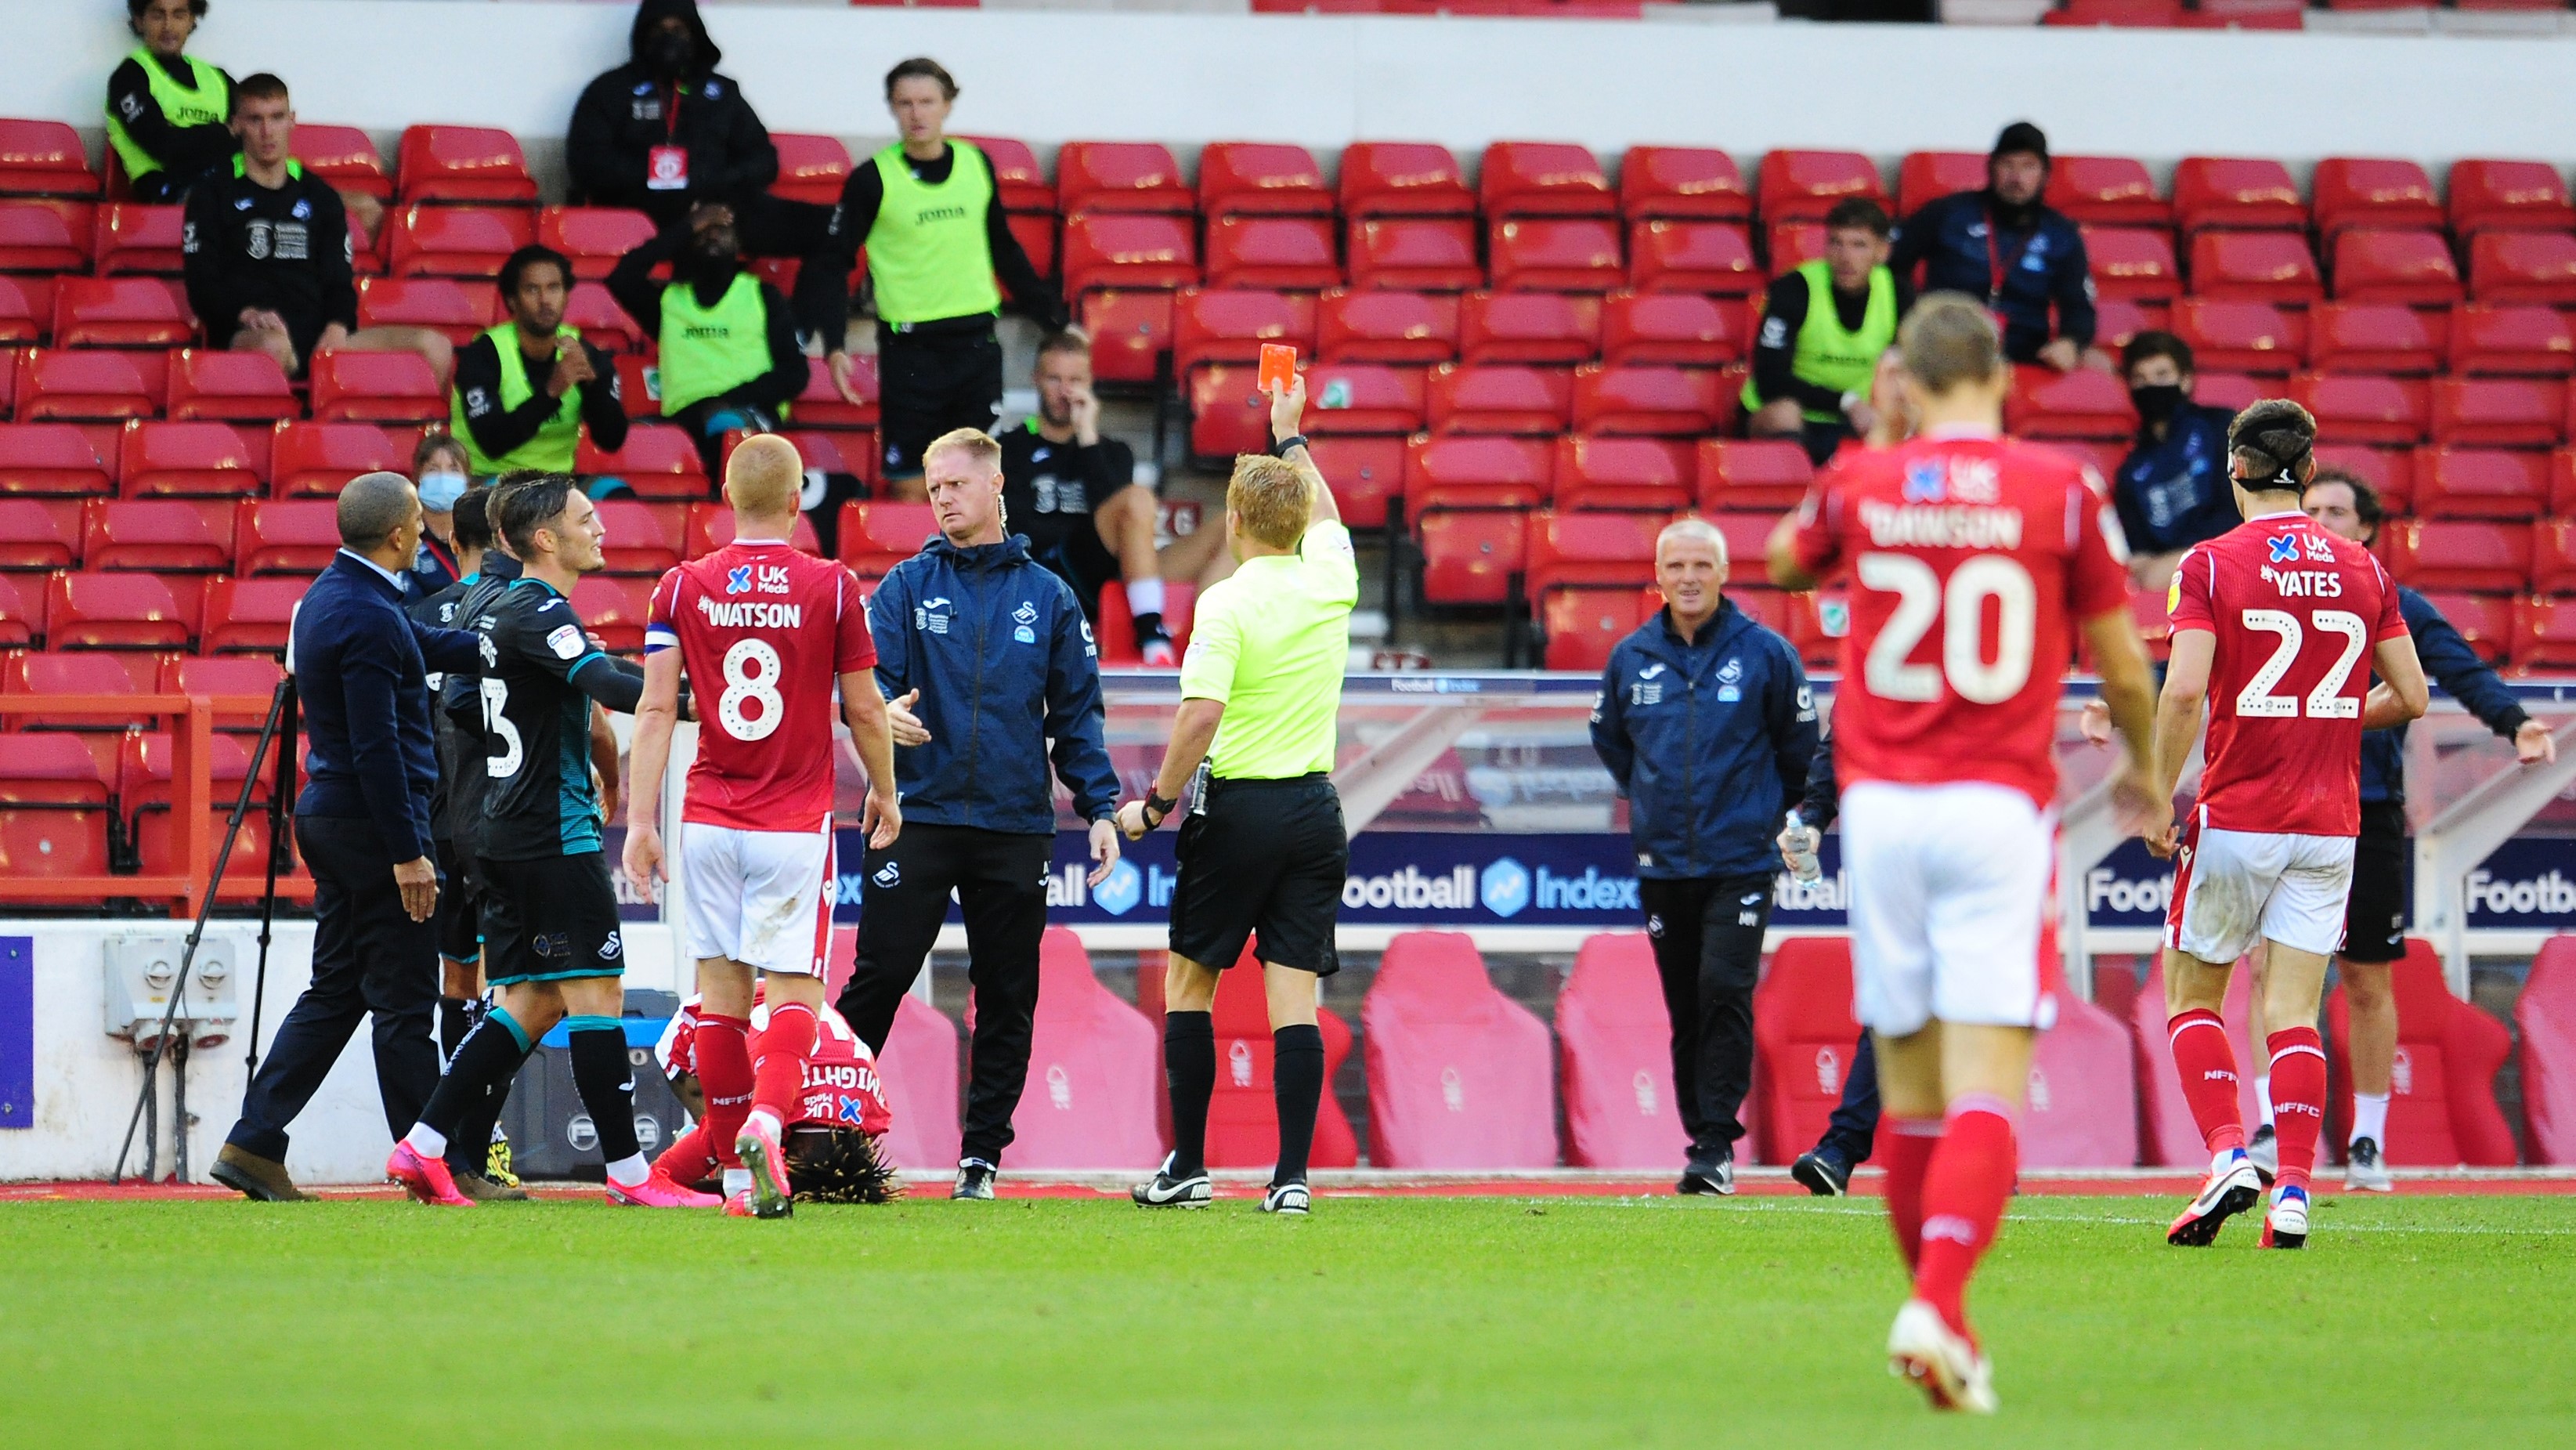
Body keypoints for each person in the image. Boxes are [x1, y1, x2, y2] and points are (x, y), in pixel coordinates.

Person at [1769, 295, 2166, 1412]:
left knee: (1909, 1087)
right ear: (2001, 373)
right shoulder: (2062, 487)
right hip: (1994, 805)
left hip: (1882, 806)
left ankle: (1947, 1324)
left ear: (1903, 379)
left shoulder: (1862, 479)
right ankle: (1937, 1301)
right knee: (1991, 1079)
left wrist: (1875, 451)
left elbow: (1786, 562)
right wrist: (2141, 765)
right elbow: (2126, 667)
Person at [2148, 402, 2428, 1254]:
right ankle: (2297, 1193)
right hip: (2329, 823)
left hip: (2238, 812)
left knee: (2192, 996)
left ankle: (2230, 1153)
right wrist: (2334, 716)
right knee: (2293, 1013)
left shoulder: (2206, 563)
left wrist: (2161, 793)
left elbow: (2185, 690)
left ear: (2234, 469)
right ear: (2307, 475)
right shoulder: (2364, 570)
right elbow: (2413, 697)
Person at [384, 476, 709, 1209]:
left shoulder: (495, 609)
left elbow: (466, 702)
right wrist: (698, 702)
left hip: (502, 826)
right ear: (545, 539)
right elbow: (603, 680)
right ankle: (630, 1175)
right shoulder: (537, 608)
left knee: (531, 1001)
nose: (601, 529)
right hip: (548, 831)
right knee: (598, 993)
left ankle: (424, 1143)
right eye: (585, 519)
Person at [2229, 468, 2553, 1193]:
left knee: (2366, 976)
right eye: (2309, 509)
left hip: (2365, 805)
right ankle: (2267, 1125)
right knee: (2264, 970)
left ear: (2367, 527)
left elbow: (2455, 667)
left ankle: (2368, 1142)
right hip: (2273, 800)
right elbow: (2194, 665)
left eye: (2336, 511)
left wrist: (2515, 721)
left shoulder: (2387, 598)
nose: (2319, 520)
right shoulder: (2256, 590)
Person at [832, 428, 1122, 1201]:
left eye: (956, 485)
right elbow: (865, 683)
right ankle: (823, 1134)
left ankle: (981, 1157)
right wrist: (879, 712)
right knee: (879, 977)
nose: (943, 499)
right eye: (932, 489)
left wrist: (1099, 808)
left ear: (995, 487)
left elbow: (1076, 716)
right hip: (913, 816)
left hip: (1013, 826)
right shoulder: (903, 587)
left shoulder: (1051, 597)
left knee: (1004, 994)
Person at [622, 436, 902, 1218]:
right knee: (795, 996)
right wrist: (885, 791)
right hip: (792, 819)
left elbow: (651, 709)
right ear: (798, 496)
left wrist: (640, 821)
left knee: (719, 999)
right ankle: (769, 1123)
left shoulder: (679, 586)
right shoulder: (833, 586)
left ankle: (739, 1182)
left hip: (708, 814)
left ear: (724, 493)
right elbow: (865, 706)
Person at [1118, 375, 1356, 1218]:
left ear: (1233, 523)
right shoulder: (1331, 576)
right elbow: (1327, 517)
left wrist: (1153, 803)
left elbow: (1201, 715)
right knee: (1295, 997)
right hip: (1313, 812)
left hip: (1241, 810)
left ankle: (1187, 1164)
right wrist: (1290, 436)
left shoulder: (1225, 602)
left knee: (1193, 985)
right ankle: (1290, 1177)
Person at [210, 472, 483, 1202]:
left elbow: (415, 644)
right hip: (372, 826)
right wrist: (409, 852)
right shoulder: (368, 613)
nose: (423, 536)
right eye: (417, 527)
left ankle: (255, 1140)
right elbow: (377, 747)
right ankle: (435, 1161)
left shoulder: (330, 599)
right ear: (398, 534)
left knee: (336, 990)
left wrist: (490, 646)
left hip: (327, 813)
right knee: (402, 1002)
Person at [1589, 517, 1817, 1195]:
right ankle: (1702, 1141)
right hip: (1663, 863)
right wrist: (1655, 800)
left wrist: (1770, 815)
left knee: (1724, 988)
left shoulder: (1766, 653)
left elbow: (1800, 751)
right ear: (1657, 577)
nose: (1687, 577)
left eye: (1700, 565)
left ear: (1722, 574)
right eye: (1675, 566)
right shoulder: (1630, 657)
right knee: (1686, 1002)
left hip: (1741, 860)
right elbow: (1611, 740)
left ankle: (1716, 1141)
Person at [797, 58, 1066, 501]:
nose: (916, 113)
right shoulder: (872, 179)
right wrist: (836, 342)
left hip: (975, 343)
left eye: (926, 102)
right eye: (905, 103)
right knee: (912, 484)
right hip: (911, 351)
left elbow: (1003, 247)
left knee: (978, 483)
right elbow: (832, 262)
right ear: (891, 107)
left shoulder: (976, 164)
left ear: (947, 105)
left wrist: (1054, 319)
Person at [181, 75, 451, 384]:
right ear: (238, 124)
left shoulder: (320, 196)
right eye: (255, 119)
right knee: (271, 347)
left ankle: (433, 433)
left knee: (434, 346)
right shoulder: (211, 193)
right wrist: (247, 314)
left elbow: (339, 282)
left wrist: (337, 327)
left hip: (319, 336)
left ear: (292, 121)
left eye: (277, 117)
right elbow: (201, 286)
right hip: (250, 334)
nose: (267, 131)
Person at [1003, 331, 1226, 665]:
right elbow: (1018, 530)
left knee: (1232, 525)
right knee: (1136, 499)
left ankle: (1210, 647)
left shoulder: (1112, 451)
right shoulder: (1011, 448)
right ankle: (1152, 634)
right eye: (1054, 379)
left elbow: (1112, 506)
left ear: (1090, 383)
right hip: (1051, 572)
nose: (1065, 391)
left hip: (1120, 571)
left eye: (1075, 380)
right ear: (1036, 379)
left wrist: (1087, 437)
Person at [565, 0, 825, 258]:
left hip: (720, 209)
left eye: (678, 29)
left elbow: (764, 160)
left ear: (694, 36)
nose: (669, 38)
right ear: (643, 36)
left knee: (828, 228)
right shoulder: (609, 91)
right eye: (658, 30)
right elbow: (586, 163)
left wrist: (713, 179)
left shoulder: (722, 94)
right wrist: (653, 176)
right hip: (641, 214)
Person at [607, 202, 806, 477]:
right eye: (703, 230)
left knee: (722, 422)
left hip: (749, 415)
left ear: (738, 242)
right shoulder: (669, 303)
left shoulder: (763, 296)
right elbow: (622, 276)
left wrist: (729, 400)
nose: (711, 235)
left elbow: (795, 374)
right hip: (684, 422)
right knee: (623, 441)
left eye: (721, 228)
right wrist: (688, 224)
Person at [652, 989, 903, 1206]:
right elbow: (659, 1180)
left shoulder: (869, 1112)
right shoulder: (772, 1101)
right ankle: (721, 1155)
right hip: (705, 1015)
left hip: (792, 999)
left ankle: (723, 1158)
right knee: (724, 1129)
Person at [1890, 122, 2095, 372]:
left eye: (2028, 166)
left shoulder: (2062, 235)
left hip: (2023, 358)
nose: (2017, 178)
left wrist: (2071, 342)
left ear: (2045, 175)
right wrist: (1910, 319)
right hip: (1944, 350)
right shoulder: (1946, 214)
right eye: (2008, 165)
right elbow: (1892, 270)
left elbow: (2078, 305)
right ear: (1991, 168)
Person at [1744, 198, 1909, 465]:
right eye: (1836, 243)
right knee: (1784, 413)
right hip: (1795, 412)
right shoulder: (1795, 289)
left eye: (1859, 245)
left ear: (1882, 252)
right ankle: (1791, 491)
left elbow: (1911, 368)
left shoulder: (1898, 294)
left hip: (1860, 418)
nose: (1845, 257)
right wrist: (1846, 402)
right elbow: (1770, 379)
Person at [450, 245, 630, 481]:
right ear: (512, 301)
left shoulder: (584, 353)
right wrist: (551, 392)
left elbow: (612, 439)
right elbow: (492, 442)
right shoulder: (484, 354)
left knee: (616, 492)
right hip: (490, 479)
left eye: (554, 288)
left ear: (566, 297)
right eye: (532, 289)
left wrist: (593, 386)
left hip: (558, 483)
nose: (545, 300)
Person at [2111, 332, 2239, 593]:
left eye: (2161, 375)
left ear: (2186, 380)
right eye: (2140, 379)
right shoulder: (2131, 471)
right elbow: (2138, 552)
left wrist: (2184, 556)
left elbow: (2239, 510)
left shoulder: (2222, 428)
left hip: (2232, 555)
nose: (2151, 387)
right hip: (2168, 577)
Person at [106, 0, 233, 204]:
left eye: (179, 15)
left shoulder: (218, 78)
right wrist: (223, 133)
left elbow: (251, 137)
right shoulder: (129, 76)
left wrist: (184, 137)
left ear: (192, 20)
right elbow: (163, 146)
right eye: (158, 15)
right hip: (163, 191)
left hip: (221, 183)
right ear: (139, 21)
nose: (168, 26)